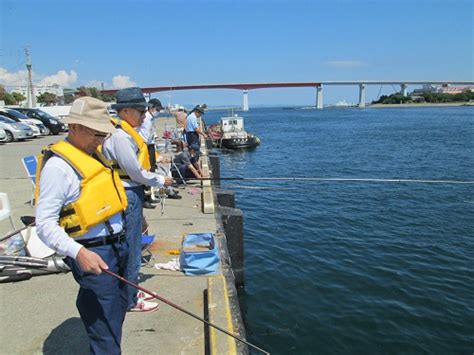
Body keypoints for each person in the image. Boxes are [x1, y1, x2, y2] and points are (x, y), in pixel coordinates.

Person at [36, 97, 129, 354]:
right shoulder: (59, 167)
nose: (100, 139)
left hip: (117, 248)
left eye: (104, 134)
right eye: (95, 133)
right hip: (93, 253)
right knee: (105, 327)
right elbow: (44, 224)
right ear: (74, 126)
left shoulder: (93, 155)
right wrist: (78, 253)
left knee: (116, 312)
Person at [101, 87, 173, 312]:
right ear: (125, 111)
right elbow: (135, 172)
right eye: (140, 111)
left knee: (129, 245)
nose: (144, 115)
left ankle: (128, 290)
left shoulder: (118, 131)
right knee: (132, 247)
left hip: (126, 191)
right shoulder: (121, 137)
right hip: (129, 193)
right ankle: (130, 300)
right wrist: (162, 180)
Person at [138, 98, 164, 208]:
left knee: (152, 170)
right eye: (157, 109)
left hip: (150, 145)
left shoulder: (150, 118)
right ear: (151, 108)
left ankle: (149, 196)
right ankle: (144, 198)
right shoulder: (146, 118)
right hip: (145, 146)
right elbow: (143, 136)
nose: (158, 111)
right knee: (146, 171)